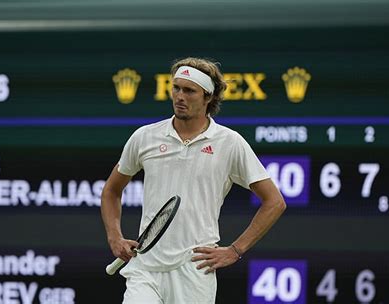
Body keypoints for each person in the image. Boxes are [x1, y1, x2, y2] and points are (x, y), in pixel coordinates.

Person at [101, 57, 286, 304]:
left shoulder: (230, 143)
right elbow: (112, 190)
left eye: (189, 91)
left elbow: (274, 202)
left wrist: (235, 250)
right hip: (145, 268)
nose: (180, 96)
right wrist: (115, 236)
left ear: (208, 97)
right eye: (176, 88)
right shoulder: (144, 137)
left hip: (195, 272)